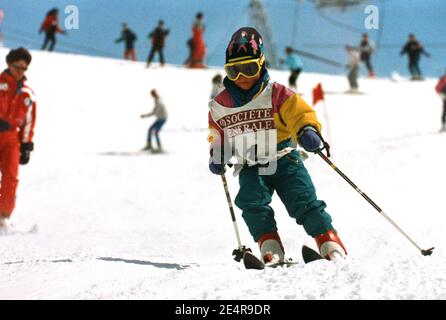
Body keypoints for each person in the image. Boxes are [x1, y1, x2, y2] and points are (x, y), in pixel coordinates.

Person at [207, 27, 347, 264]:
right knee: (251, 202)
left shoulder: (277, 93)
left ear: (261, 64)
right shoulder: (220, 104)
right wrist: (218, 152)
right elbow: (217, 132)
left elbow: (300, 114)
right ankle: (269, 245)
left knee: (302, 199)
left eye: (249, 69)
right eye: (234, 72)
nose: (242, 78)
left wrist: (307, 130)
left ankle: (329, 242)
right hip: (250, 163)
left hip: (283, 157)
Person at [0, 48, 37, 230]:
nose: (20, 71)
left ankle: (3, 217)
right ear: (9, 64)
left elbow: (29, 121)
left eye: (24, 68)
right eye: (17, 67)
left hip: (12, 140)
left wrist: (26, 145)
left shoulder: (27, 93)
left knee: (11, 178)